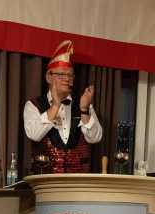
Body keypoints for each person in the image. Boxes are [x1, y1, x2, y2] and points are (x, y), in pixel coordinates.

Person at [24, 40, 102, 174]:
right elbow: (34, 134)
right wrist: (55, 107)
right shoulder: (34, 105)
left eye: (70, 75)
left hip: (78, 180)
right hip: (45, 179)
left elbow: (95, 138)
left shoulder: (83, 104)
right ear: (48, 78)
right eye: (61, 74)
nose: (66, 79)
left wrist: (84, 110)